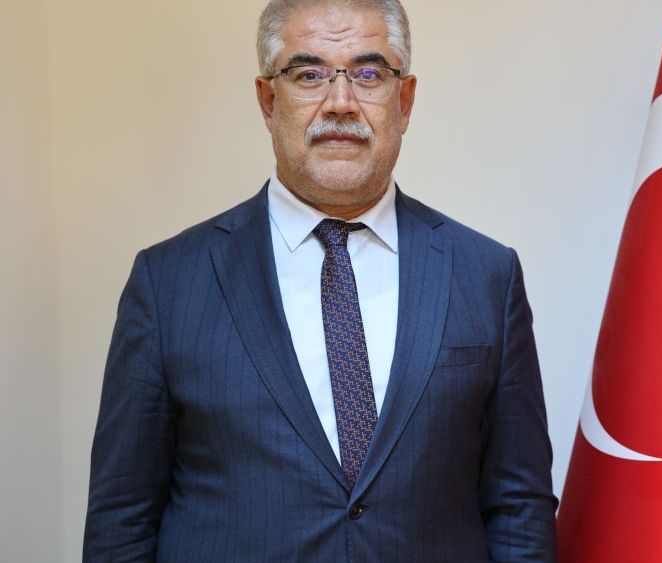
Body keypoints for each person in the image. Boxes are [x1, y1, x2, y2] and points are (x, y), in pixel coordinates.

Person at [82, 0, 558, 560]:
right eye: (308, 75)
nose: (341, 102)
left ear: (404, 100)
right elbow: (122, 518)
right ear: (268, 100)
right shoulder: (168, 284)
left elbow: (518, 507)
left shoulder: (486, 274)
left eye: (369, 73)